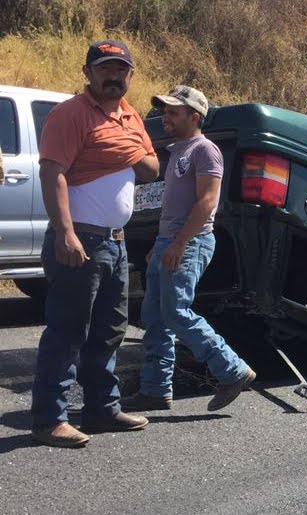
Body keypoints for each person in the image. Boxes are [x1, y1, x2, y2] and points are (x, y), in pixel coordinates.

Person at [31, 39, 160, 448]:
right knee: (68, 330)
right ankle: (50, 418)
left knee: (109, 331)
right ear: (88, 73)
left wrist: (124, 151)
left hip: (115, 243)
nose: (113, 76)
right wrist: (65, 232)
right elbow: (53, 173)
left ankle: (103, 409)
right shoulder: (69, 115)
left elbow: (153, 168)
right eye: (104, 68)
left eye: (120, 70)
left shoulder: (131, 115)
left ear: (130, 75)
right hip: (80, 239)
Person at [123, 85, 255, 413]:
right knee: (154, 317)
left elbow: (208, 201)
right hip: (170, 241)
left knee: (176, 312)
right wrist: (159, 244)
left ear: (194, 117)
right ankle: (155, 389)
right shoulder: (178, 151)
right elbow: (173, 207)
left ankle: (233, 370)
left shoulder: (204, 150)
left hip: (191, 241)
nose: (165, 117)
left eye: (173, 112)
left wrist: (180, 242)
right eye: (165, 111)